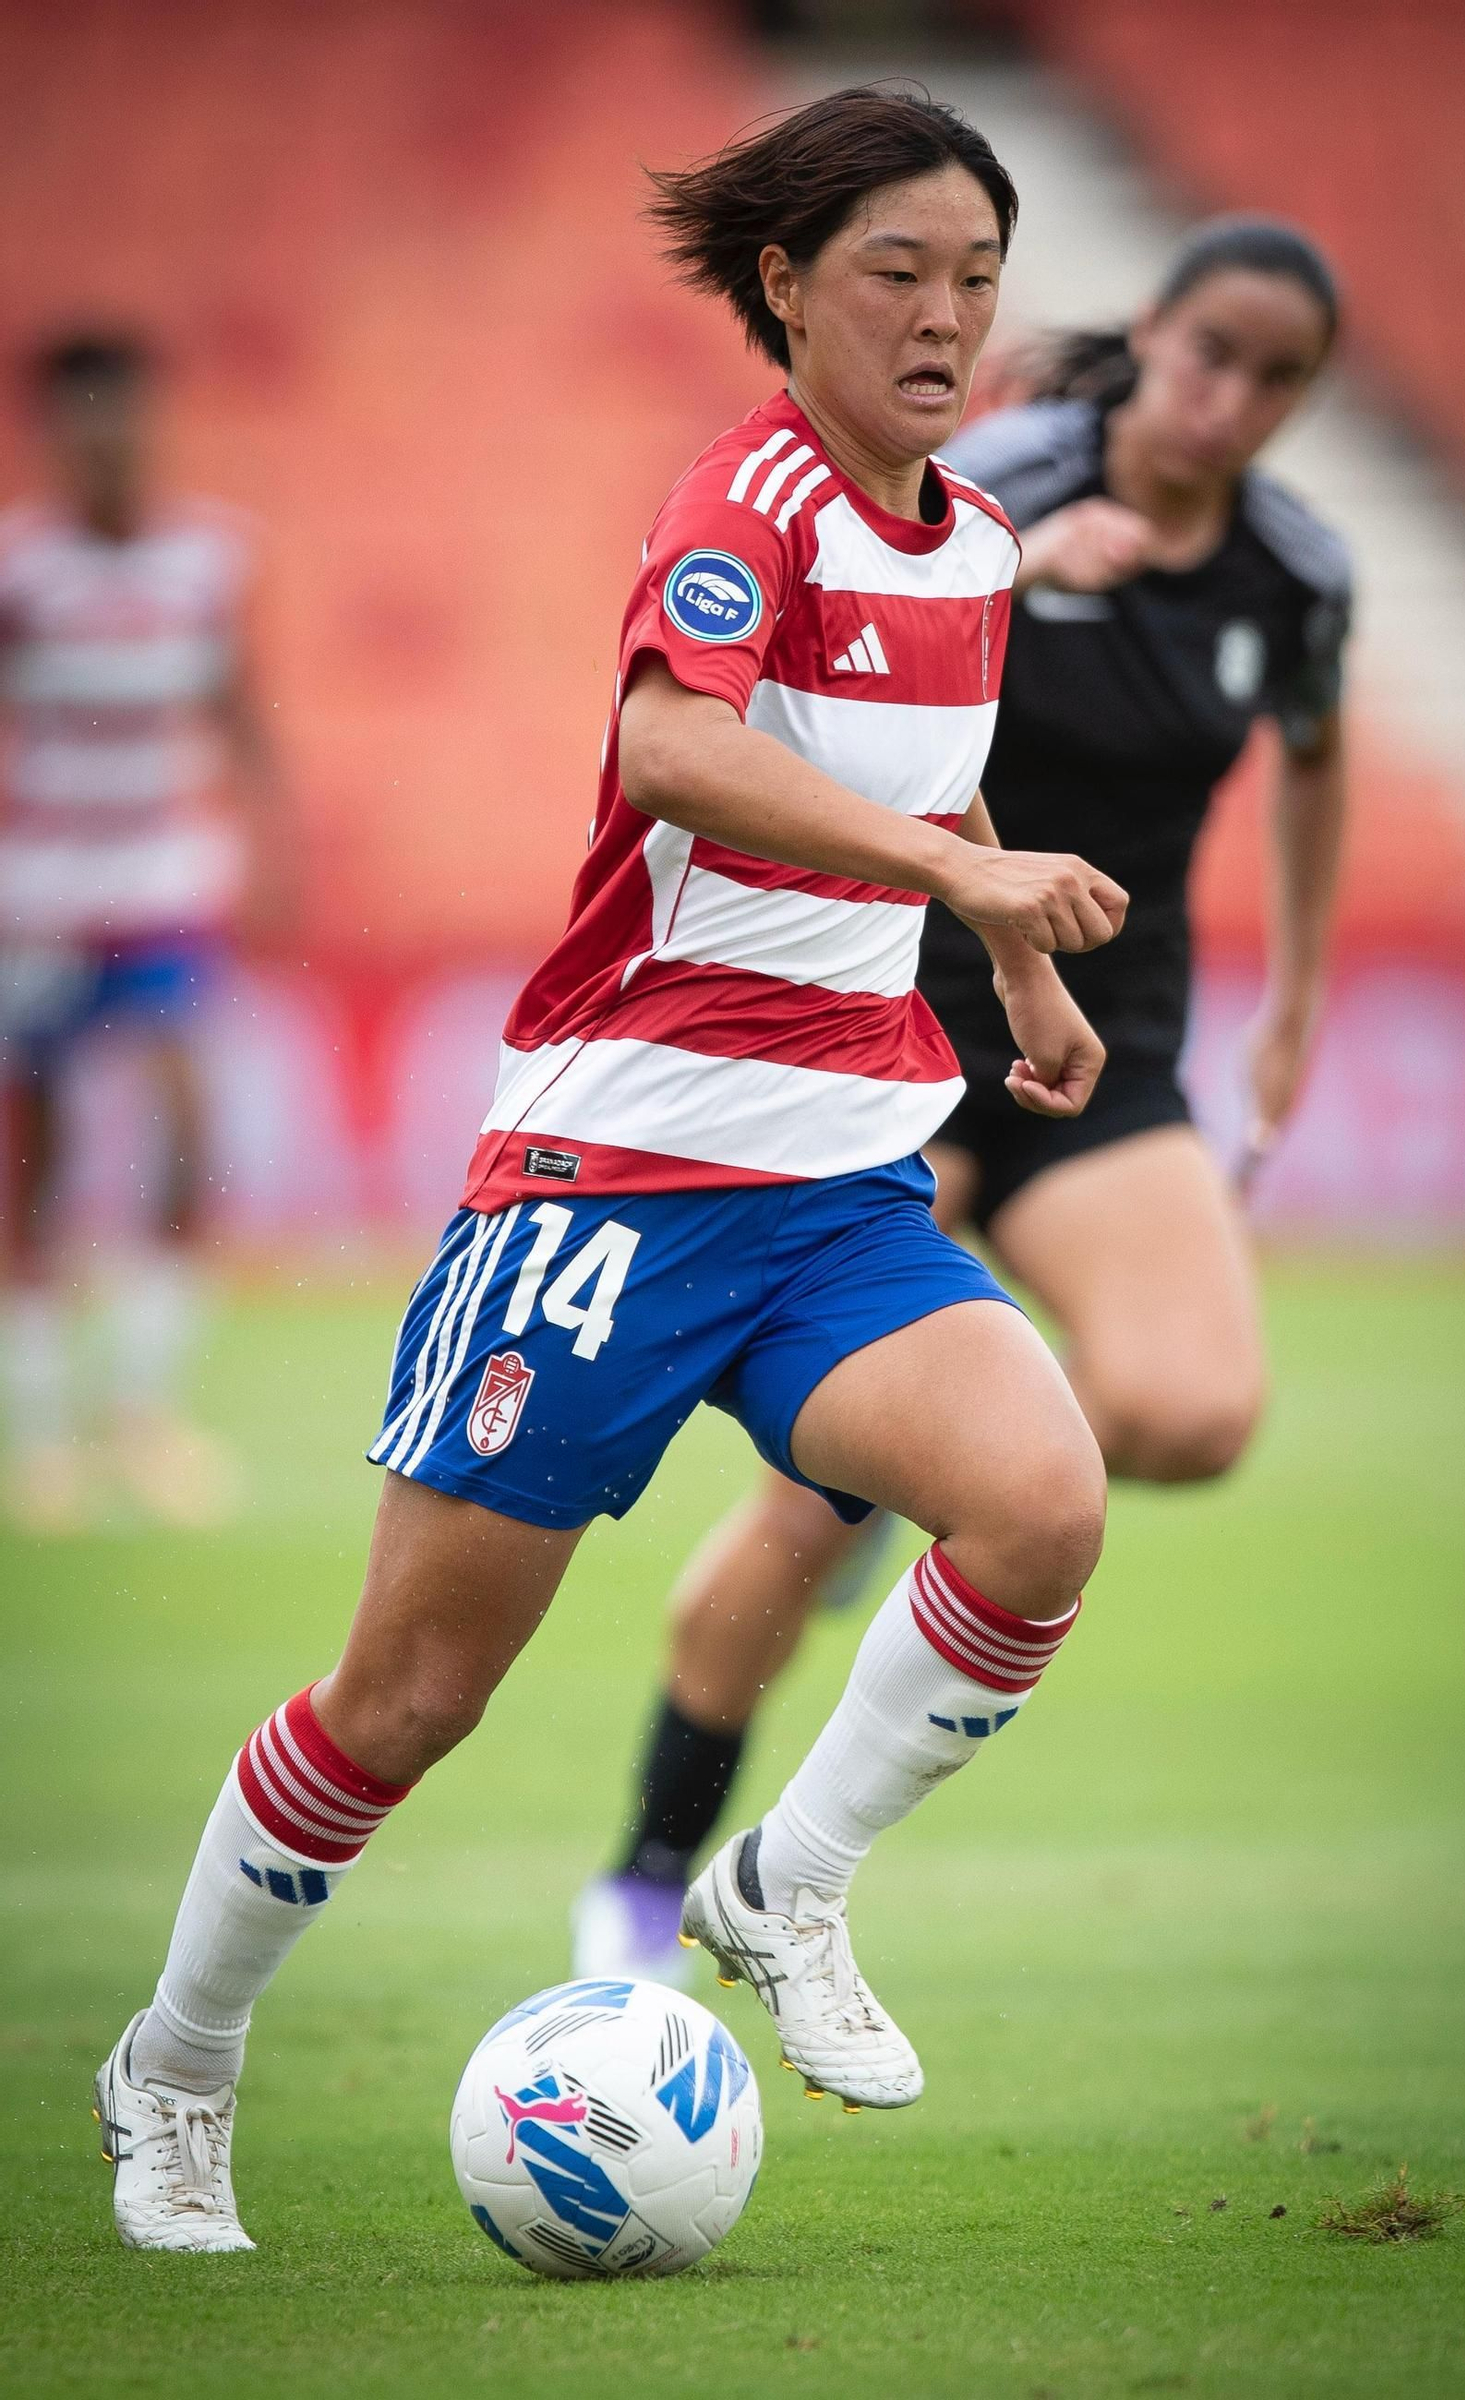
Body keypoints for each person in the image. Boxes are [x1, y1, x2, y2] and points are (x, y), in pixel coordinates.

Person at [94, 85, 1133, 2257]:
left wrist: (1008, 959)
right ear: (783, 286)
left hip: (842, 1181)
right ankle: (174, 2068)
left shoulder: (973, 545)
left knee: (1040, 1503)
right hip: (610, 1177)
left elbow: (906, 816)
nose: (945, 320)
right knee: (407, 1701)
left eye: (975, 279)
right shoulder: (741, 497)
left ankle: (784, 1880)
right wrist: (982, 868)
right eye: (894, 277)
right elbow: (678, 745)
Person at [573, 214, 1352, 1988]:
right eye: (1210, 353)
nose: (1231, 402)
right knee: (792, 1536)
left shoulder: (1296, 579)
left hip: (1102, 1029)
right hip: (886, 1010)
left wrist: (1297, 990)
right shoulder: (982, 489)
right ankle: (639, 1882)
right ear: (1150, 333)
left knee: (1191, 1410)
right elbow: (764, 696)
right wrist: (1020, 577)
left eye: (1278, 380)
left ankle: (953, 1456)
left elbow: (1317, 755)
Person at [0, 332, 288, 1531]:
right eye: (87, 421)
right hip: (44, 900)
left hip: (167, 885)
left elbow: (240, 712)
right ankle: (43, 1434)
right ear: (57, 435)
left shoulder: (206, 558)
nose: (109, 440)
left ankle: (143, 1410)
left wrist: (274, 844)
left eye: (125, 416)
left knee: (185, 1127)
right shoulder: (22, 575)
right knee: (41, 1163)